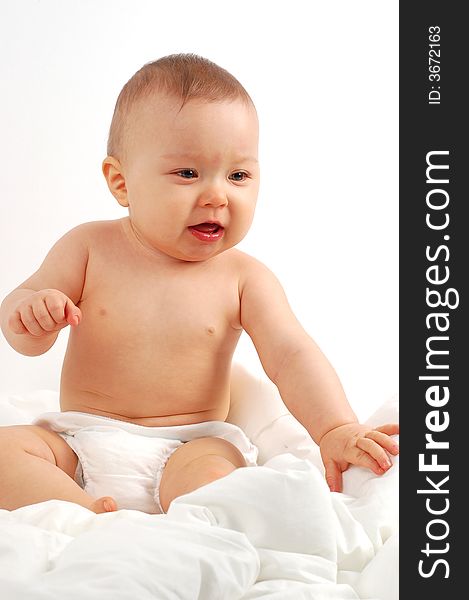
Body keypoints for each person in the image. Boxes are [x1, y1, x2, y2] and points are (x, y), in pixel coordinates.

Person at [0, 53, 399, 515]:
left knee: (216, 482)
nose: (216, 195)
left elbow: (292, 355)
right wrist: (33, 315)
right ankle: (85, 516)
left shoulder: (244, 277)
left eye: (238, 175)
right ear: (121, 181)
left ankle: (180, 522)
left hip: (189, 445)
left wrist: (334, 429)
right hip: (79, 439)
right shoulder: (88, 247)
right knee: (7, 451)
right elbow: (22, 334)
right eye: (188, 173)